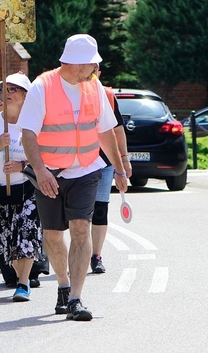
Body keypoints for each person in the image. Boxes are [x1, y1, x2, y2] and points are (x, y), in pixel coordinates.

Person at [18, 34, 128, 321]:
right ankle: (63, 287)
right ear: (77, 63)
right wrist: (40, 170)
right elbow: (28, 133)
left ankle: (77, 298)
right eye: (92, 64)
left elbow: (105, 131)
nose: (95, 69)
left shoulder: (96, 89)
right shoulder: (42, 87)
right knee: (53, 235)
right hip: (50, 173)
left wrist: (118, 168)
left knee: (81, 227)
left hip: (86, 170)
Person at [0, 73, 44, 302]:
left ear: (26, 95)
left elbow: (44, 157)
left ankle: (23, 284)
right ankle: (18, 274)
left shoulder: (33, 123)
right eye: (6, 89)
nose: (9, 93)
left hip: (27, 189)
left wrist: (21, 164)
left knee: (26, 233)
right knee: (8, 242)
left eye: (15, 89)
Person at [91, 65, 132, 274]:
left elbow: (118, 130)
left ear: (98, 73)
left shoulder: (107, 95)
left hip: (105, 162)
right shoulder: (70, 94)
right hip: (78, 164)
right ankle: (78, 254)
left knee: (100, 209)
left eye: (94, 70)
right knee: (78, 214)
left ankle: (96, 256)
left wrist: (124, 161)